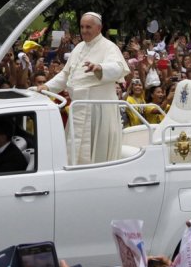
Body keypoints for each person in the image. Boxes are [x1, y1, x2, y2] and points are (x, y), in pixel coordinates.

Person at [38, 12, 130, 165]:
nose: (84, 30)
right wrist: (47, 86)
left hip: (98, 110)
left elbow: (119, 68)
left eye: (88, 27)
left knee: (96, 151)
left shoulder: (109, 47)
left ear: (99, 28)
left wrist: (100, 67)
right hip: (78, 107)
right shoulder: (79, 47)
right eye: (82, 27)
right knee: (74, 151)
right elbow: (65, 74)